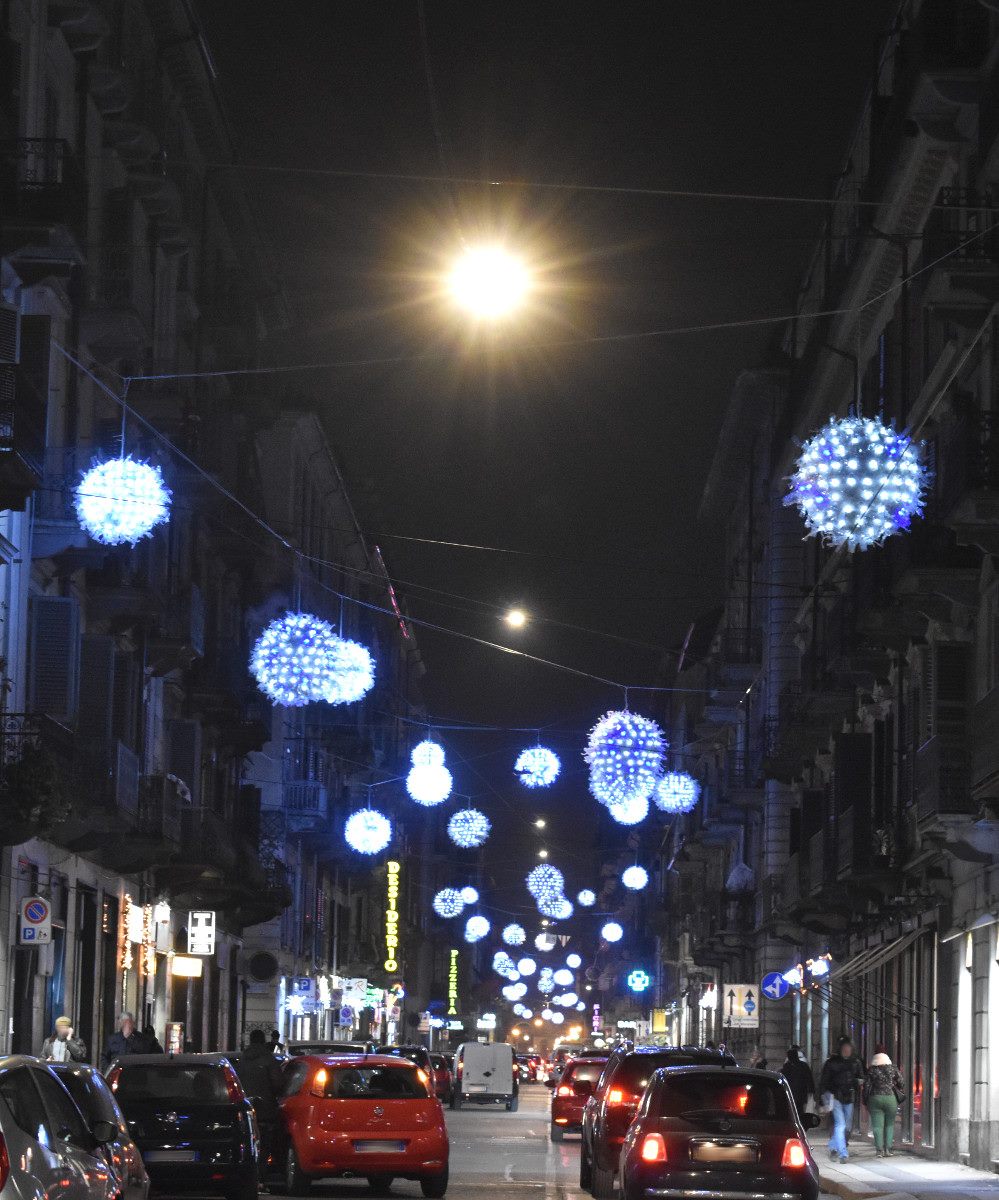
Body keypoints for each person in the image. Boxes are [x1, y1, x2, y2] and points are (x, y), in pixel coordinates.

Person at [236, 1029, 284, 1177]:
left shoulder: (242, 1060)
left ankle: (246, 1175)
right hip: (265, 1109)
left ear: (250, 1041)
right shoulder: (269, 1060)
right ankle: (260, 1176)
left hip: (245, 1109)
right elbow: (278, 1084)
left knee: (245, 1143)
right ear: (264, 1041)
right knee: (265, 1144)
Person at [819, 1036, 865, 1162]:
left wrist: (856, 1082)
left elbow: (861, 1077)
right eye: (844, 1048)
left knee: (847, 1126)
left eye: (848, 1048)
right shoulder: (832, 1062)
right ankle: (843, 1153)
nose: (846, 1050)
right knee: (841, 1124)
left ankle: (833, 1145)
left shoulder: (856, 1062)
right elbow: (824, 1081)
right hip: (836, 1096)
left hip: (849, 1096)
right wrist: (823, 1097)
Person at [863, 1045, 904, 1158]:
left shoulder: (872, 1069)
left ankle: (879, 1150)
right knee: (890, 1124)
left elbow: (866, 1086)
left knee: (877, 1125)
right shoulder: (893, 1068)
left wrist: (865, 1100)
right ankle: (888, 1149)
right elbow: (901, 1082)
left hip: (875, 1098)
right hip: (891, 1098)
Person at [781, 1045, 816, 1119]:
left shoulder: (787, 1066)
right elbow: (809, 1078)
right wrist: (811, 1090)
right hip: (800, 1092)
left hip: (793, 1092)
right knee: (799, 1109)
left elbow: (783, 1078)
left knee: (794, 1109)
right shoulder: (803, 1065)